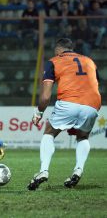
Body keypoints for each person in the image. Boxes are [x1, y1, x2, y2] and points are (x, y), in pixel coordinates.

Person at [27, 38, 101, 191]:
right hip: (93, 104)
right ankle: (78, 169)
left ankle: (43, 171)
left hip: (69, 101)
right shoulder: (89, 61)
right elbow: (94, 83)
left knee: (49, 133)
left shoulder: (54, 61)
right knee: (83, 136)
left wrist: (39, 112)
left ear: (58, 50)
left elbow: (46, 96)